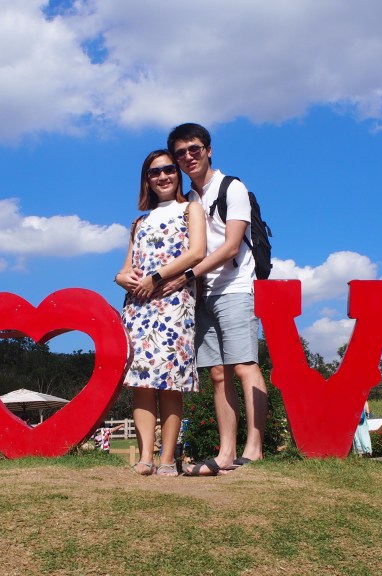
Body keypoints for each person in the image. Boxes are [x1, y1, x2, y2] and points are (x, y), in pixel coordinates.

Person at [157, 123, 268, 476]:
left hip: (236, 287)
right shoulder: (189, 200)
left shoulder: (232, 187)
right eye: (180, 153)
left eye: (194, 149)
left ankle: (254, 449)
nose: (188, 157)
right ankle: (226, 453)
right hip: (202, 294)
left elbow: (232, 246)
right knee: (217, 374)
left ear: (208, 150)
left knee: (244, 365)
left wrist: (187, 275)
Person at [115, 149, 206, 477]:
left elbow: (197, 252)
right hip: (138, 306)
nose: (163, 176)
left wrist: (156, 277)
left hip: (173, 302)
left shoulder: (190, 209)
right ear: (147, 180)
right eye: (154, 172)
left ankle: (167, 459)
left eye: (168, 169)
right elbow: (125, 268)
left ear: (177, 174)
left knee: (170, 383)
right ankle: (145, 458)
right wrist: (122, 279)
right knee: (141, 382)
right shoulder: (139, 222)